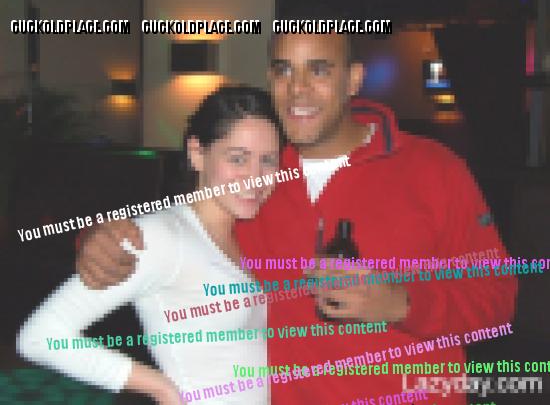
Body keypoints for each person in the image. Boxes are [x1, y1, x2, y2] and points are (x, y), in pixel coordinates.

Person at [75, 32, 518, 404]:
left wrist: (402, 305)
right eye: (284, 70)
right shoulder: (252, 175)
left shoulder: (435, 169)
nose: (297, 90)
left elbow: (497, 300)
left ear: (353, 79)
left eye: (319, 70)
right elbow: (173, 227)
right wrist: (98, 241)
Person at [17, 86, 283, 405]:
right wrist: (160, 387)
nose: (256, 177)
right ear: (197, 153)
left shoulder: (240, 235)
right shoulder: (163, 236)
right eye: (238, 158)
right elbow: (41, 337)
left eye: (268, 160)